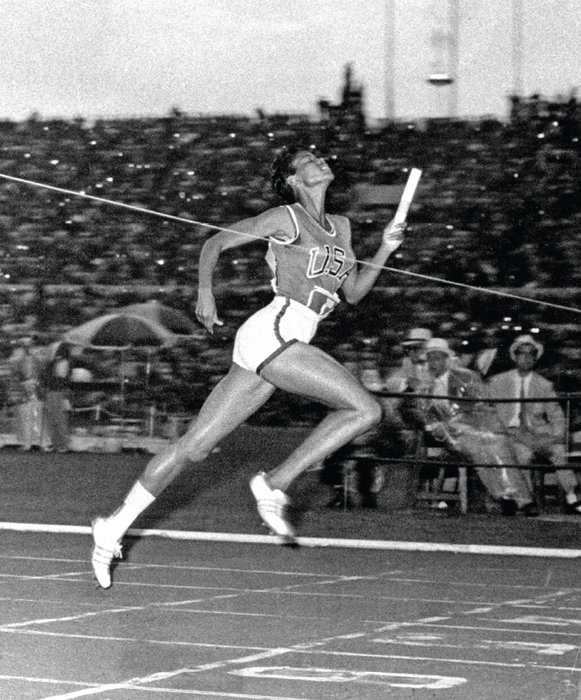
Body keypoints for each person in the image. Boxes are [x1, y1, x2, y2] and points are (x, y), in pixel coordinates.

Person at [91, 145, 407, 588]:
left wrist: (385, 251)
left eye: (319, 158)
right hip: (275, 330)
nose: (320, 162)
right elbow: (215, 241)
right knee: (365, 410)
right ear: (296, 180)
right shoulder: (287, 217)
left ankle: (113, 527)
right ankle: (275, 484)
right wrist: (206, 292)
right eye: (309, 162)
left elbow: (352, 293)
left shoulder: (341, 227)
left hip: (285, 340)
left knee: (194, 448)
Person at [409, 338, 538, 515]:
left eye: (438, 357)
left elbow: (482, 405)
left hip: (479, 426)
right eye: (431, 358)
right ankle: (503, 497)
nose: (434, 362)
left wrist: (475, 426)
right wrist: (437, 427)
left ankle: (522, 500)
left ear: (447, 358)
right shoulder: (424, 387)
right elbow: (425, 416)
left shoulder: (467, 376)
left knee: (498, 445)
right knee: (480, 451)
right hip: (453, 436)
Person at [488, 334, 581, 514]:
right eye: (522, 353)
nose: (526, 358)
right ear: (515, 356)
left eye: (531, 354)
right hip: (511, 432)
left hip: (537, 432)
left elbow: (556, 415)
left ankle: (573, 499)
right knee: (522, 455)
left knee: (558, 451)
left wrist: (557, 436)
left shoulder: (543, 385)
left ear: (535, 358)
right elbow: (488, 410)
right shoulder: (499, 382)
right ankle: (525, 502)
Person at [42, 341, 73, 452]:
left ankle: (62, 444)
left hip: (57, 391)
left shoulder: (61, 362)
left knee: (58, 418)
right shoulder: (58, 362)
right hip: (54, 391)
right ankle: (57, 443)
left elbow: (59, 377)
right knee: (54, 418)